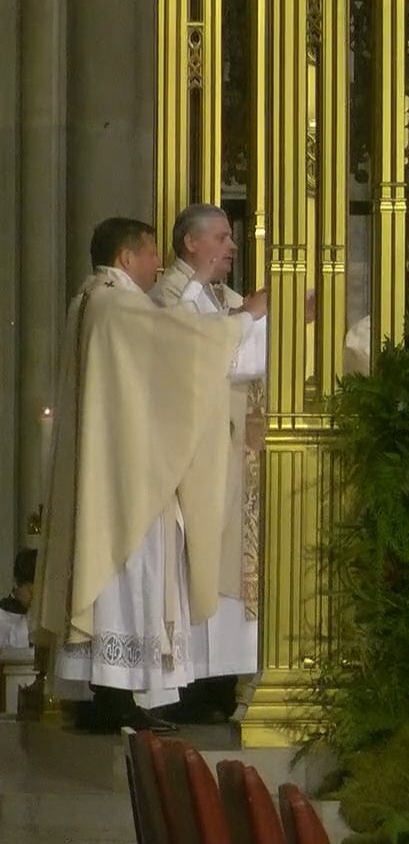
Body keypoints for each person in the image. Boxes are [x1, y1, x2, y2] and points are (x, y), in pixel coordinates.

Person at [35, 217, 266, 732]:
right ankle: (114, 697)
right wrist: (244, 318)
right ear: (125, 258)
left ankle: (114, 698)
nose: (155, 265)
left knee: (118, 582)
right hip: (126, 478)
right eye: (148, 256)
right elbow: (179, 346)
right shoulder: (118, 304)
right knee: (126, 576)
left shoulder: (92, 300)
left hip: (121, 461)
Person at [148, 204, 266, 722]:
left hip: (234, 454)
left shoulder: (227, 299)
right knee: (193, 564)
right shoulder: (166, 296)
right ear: (190, 243)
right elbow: (195, 357)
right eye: (222, 237)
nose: (232, 247)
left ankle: (219, 685)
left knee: (229, 572)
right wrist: (254, 320)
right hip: (190, 458)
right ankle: (189, 685)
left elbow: (247, 355)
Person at [1, 549, 35, 650]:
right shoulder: (2, 615)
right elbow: (13, 646)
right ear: (16, 583)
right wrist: (33, 611)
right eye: (31, 591)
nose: (35, 597)